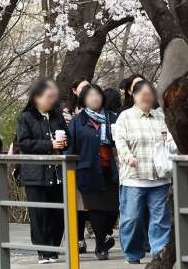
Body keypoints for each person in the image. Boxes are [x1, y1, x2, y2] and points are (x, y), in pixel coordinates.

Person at [114, 79, 173, 264]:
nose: (147, 98)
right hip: (134, 178)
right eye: (143, 95)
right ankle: (132, 253)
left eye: (150, 95)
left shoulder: (161, 116)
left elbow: (170, 140)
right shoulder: (125, 117)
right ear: (134, 95)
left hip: (159, 178)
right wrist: (127, 157)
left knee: (160, 219)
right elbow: (120, 142)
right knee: (131, 219)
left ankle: (158, 254)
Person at [15, 79, 69, 264]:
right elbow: (24, 143)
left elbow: (67, 137)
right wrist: (49, 144)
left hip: (56, 173)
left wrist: (63, 142)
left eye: (53, 97)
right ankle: (42, 251)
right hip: (35, 174)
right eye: (48, 97)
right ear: (37, 97)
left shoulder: (57, 116)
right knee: (39, 214)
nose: (51, 101)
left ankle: (53, 249)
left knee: (58, 214)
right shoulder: (26, 117)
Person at [68, 83, 118, 259]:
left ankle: (105, 236)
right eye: (90, 96)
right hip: (87, 169)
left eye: (97, 95)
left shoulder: (113, 118)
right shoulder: (78, 121)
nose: (95, 98)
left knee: (112, 209)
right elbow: (70, 147)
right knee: (96, 209)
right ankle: (100, 246)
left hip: (110, 168)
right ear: (83, 100)